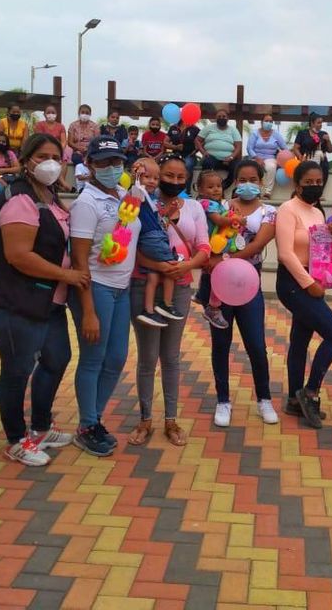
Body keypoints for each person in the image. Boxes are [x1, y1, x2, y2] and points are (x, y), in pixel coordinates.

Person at [0, 133, 88, 466]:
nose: (50, 163)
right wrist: (68, 275)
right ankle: (16, 439)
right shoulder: (20, 199)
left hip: (47, 300)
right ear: (26, 161)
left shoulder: (49, 196)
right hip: (15, 300)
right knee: (18, 368)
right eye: (42, 157)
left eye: (56, 157)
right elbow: (19, 255)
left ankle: (41, 426)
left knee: (57, 358)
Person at [66, 138, 147, 456]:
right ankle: (87, 425)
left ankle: (94, 420)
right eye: (103, 162)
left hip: (121, 288)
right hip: (96, 287)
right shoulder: (87, 203)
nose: (111, 168)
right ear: (89, 164)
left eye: (116, 162)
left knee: (116, 358)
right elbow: (79, 261)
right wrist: (88, 311)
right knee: (93, 358)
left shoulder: (124, 195)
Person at [128, 155, 210, 447]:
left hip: (180, 287)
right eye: (168, 175)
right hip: (144, 285)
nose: (174, 181)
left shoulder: (194, 208)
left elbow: (204, 247)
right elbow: (128, 242)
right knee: (148, 357)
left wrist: (185, 266)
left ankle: (171, 421)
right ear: (155, 174)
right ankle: (145, 419)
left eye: (180, 177)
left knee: (171, 357)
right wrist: (159, 266)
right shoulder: (139, 202)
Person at [276, 160, 332, 427]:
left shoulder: (317, 212)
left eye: (319, 182)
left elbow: (318, 248)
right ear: (297, 185)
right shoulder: (287, 209)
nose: (315, 186)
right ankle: (310, 392)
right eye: (309, 182)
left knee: (300, 341)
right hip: (294, 283)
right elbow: (285, 254)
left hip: (313, 278)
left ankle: (294, 400)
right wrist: (308, 284)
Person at [209, 159, 279, 427]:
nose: (248, 184)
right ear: (235, 182)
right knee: (220, 344)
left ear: (261, 182)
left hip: (249, 287)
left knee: (256, 345)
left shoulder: (269, 212)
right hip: (221, 285)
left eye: (253, 180)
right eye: (242, 180)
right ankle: (222, 401)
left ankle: (264, 399)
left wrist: (226, 257)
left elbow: (258, 244)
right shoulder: (222, 207)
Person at [131, 157, 183, 328]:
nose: (152, 181)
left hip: (154, 236)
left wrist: (170, 211)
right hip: (152, 238)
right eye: (147, 177)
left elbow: (161, 220)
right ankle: (166, 303)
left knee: (153, 276)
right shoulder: (139, 194)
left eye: (155, 178)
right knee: (171, 268)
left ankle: (148, 310)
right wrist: (136, 176)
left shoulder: (153, 198)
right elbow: (135, 189)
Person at [196, 170, 240, 329]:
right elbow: (219, 221)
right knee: (220, 276)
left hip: (216, 244)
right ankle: (213, 308)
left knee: (210, 272)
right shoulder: (207, 204)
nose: (216, 189)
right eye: (210, 187)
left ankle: (201, 294)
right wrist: (236, 220)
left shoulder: (218, 204)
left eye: (218, 186)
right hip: (212, 245)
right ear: (200, 190)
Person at [197, 109, 242, 192]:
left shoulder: (233, 130)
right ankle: (205, 187)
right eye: (219, 116)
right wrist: (203, 152)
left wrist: (231, 157)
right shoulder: (208, 128)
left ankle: (222, 187)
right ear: (216, 118)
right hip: (212, 157)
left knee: (237, 167)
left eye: (224, 116)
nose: (221, 118)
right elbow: (197, 140)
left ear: (227, 118)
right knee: (207, 163)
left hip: (229, 159)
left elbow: (238, 146)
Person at [247, 114, 288, 198]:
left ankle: (267, 192)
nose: (268, 123)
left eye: (270, 121)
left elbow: (284, 148)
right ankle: (256, 191)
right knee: (254, 168)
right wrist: (257, 158)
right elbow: (249, 148)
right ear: (261, 122)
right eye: (266, 121)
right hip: (255, 157)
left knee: (271, 167)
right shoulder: (255, 133)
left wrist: (286, 158)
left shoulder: (276, 134)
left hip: (270, 158)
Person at [293, 112, 332, 185]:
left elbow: (330, 150)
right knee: (307, 182)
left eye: (321, 123)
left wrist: (328, 140)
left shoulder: (323, 134)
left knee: (319, 183)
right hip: (306, 162)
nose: (320, 125)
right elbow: (295, 148)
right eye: (318, 123)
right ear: (312, 123)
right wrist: (300, 157)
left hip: (321, 164)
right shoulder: (302, 133)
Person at [166, 122, 199, 192]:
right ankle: (172, 190)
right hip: (176, 155)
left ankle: (185, 191)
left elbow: (202, 141)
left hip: (189, 155)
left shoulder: (195, 129)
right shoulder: (173, 128)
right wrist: (175, 147)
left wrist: (195, 151)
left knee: (187, 165)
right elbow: (165, 143)